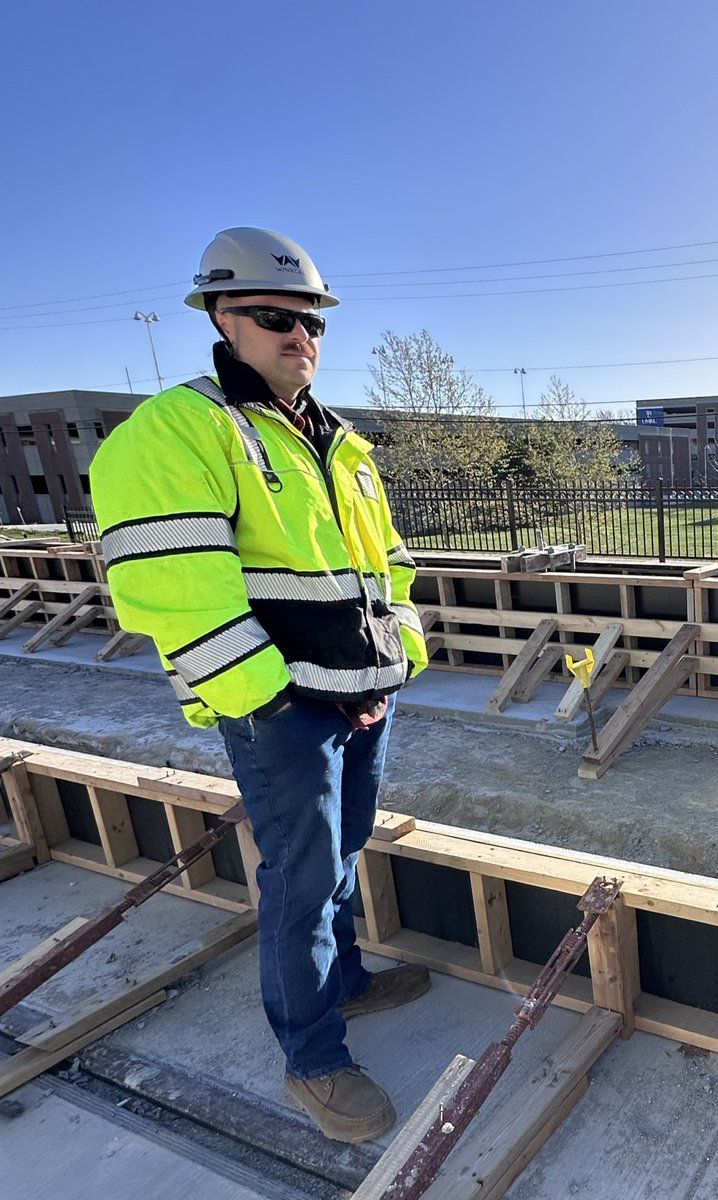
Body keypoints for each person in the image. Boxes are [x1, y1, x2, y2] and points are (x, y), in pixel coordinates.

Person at [90, 227, 430, 1144]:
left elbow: (385, 569)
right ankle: (313, 1058)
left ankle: (346, 983)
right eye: (277, 318)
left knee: (344, 850)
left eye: (312, 321)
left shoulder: (339, 442)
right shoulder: (180, 429)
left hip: (358, 696)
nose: (301, 336)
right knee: (301, 875)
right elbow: (173, 589)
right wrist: (273, 697)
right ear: (219, 317)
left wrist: (390, 666)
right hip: (280, 710)